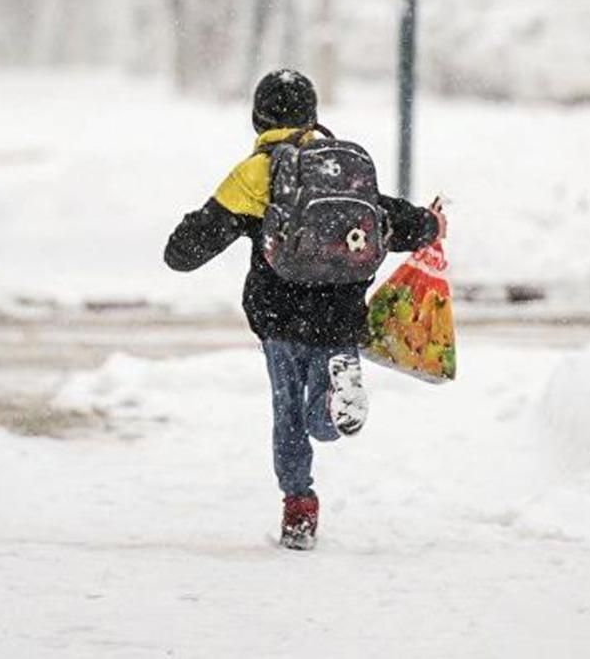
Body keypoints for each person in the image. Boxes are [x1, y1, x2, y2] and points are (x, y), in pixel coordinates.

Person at [163, 69, 445, 550]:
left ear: (259, 118)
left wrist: (186, 241)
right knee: (322, 416)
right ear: (314, 115)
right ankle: (336, 404)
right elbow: (387, 216)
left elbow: (186, 250)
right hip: (340, 312)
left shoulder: (257, 172)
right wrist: (429, 223)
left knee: (288, 415)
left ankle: (299, 510)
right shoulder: (343, 166)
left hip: (281, 314)